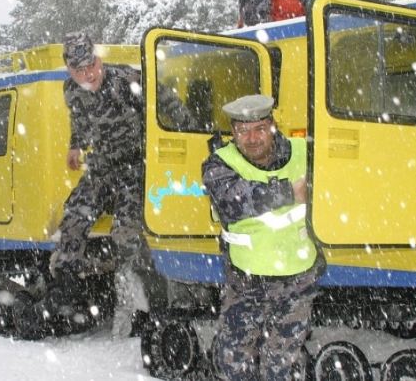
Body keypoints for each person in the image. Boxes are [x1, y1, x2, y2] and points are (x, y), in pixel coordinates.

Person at [47, 31, 193, 336]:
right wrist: (76, 145)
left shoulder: (127, 80)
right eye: (79, 70)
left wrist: (189, 134)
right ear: (69, 70)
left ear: (99, 60)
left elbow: (167, 100)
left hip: (135, 166)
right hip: (102, 166)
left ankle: (156, 305)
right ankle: (68, 297)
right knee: (72, 220)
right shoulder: (70, 89)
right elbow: (79, 119)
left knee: (125, 232)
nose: (88, 75)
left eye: (92, 66)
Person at [202, 94, 324, 380]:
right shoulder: (219, 163)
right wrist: (290, 192)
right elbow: (234, 201)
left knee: (282, 362)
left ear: (272, 126)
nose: (252, 138)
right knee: (234, 361)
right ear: (233, 133)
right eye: (243, 131)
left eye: (259, 129)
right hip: (247, 283)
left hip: (297, 279)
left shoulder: (306, 152)